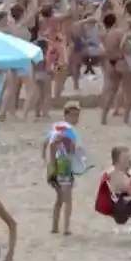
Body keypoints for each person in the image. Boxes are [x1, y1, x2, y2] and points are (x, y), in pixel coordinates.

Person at [44, 101, 80, 235]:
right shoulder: (66, 130)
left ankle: (55, 226)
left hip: (58, 166)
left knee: (60, 198)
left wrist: (49, 163)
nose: (75, 119)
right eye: (73, 116)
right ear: (66, 116)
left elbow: (48, 144)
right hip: (63, 167)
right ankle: (66, 227)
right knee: (67, 199)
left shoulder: (57, 128)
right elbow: (54, 146)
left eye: (77, 116)